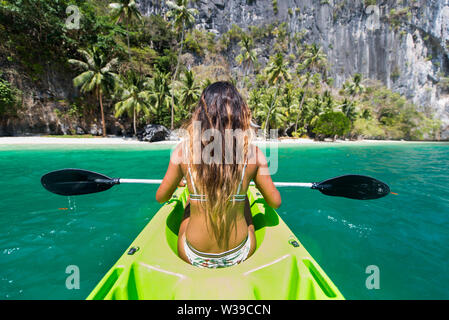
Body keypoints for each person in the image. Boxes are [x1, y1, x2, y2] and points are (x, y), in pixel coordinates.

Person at [156, 81, 281, 268]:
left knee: (191, 202)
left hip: (192, 255)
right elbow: (275, 202)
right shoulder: (253, 154)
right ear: (240, 116)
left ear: (200, 115)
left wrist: (185, 185)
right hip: (240, 253)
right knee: (243, 199)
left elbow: (161, 197)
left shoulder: (183, 152)